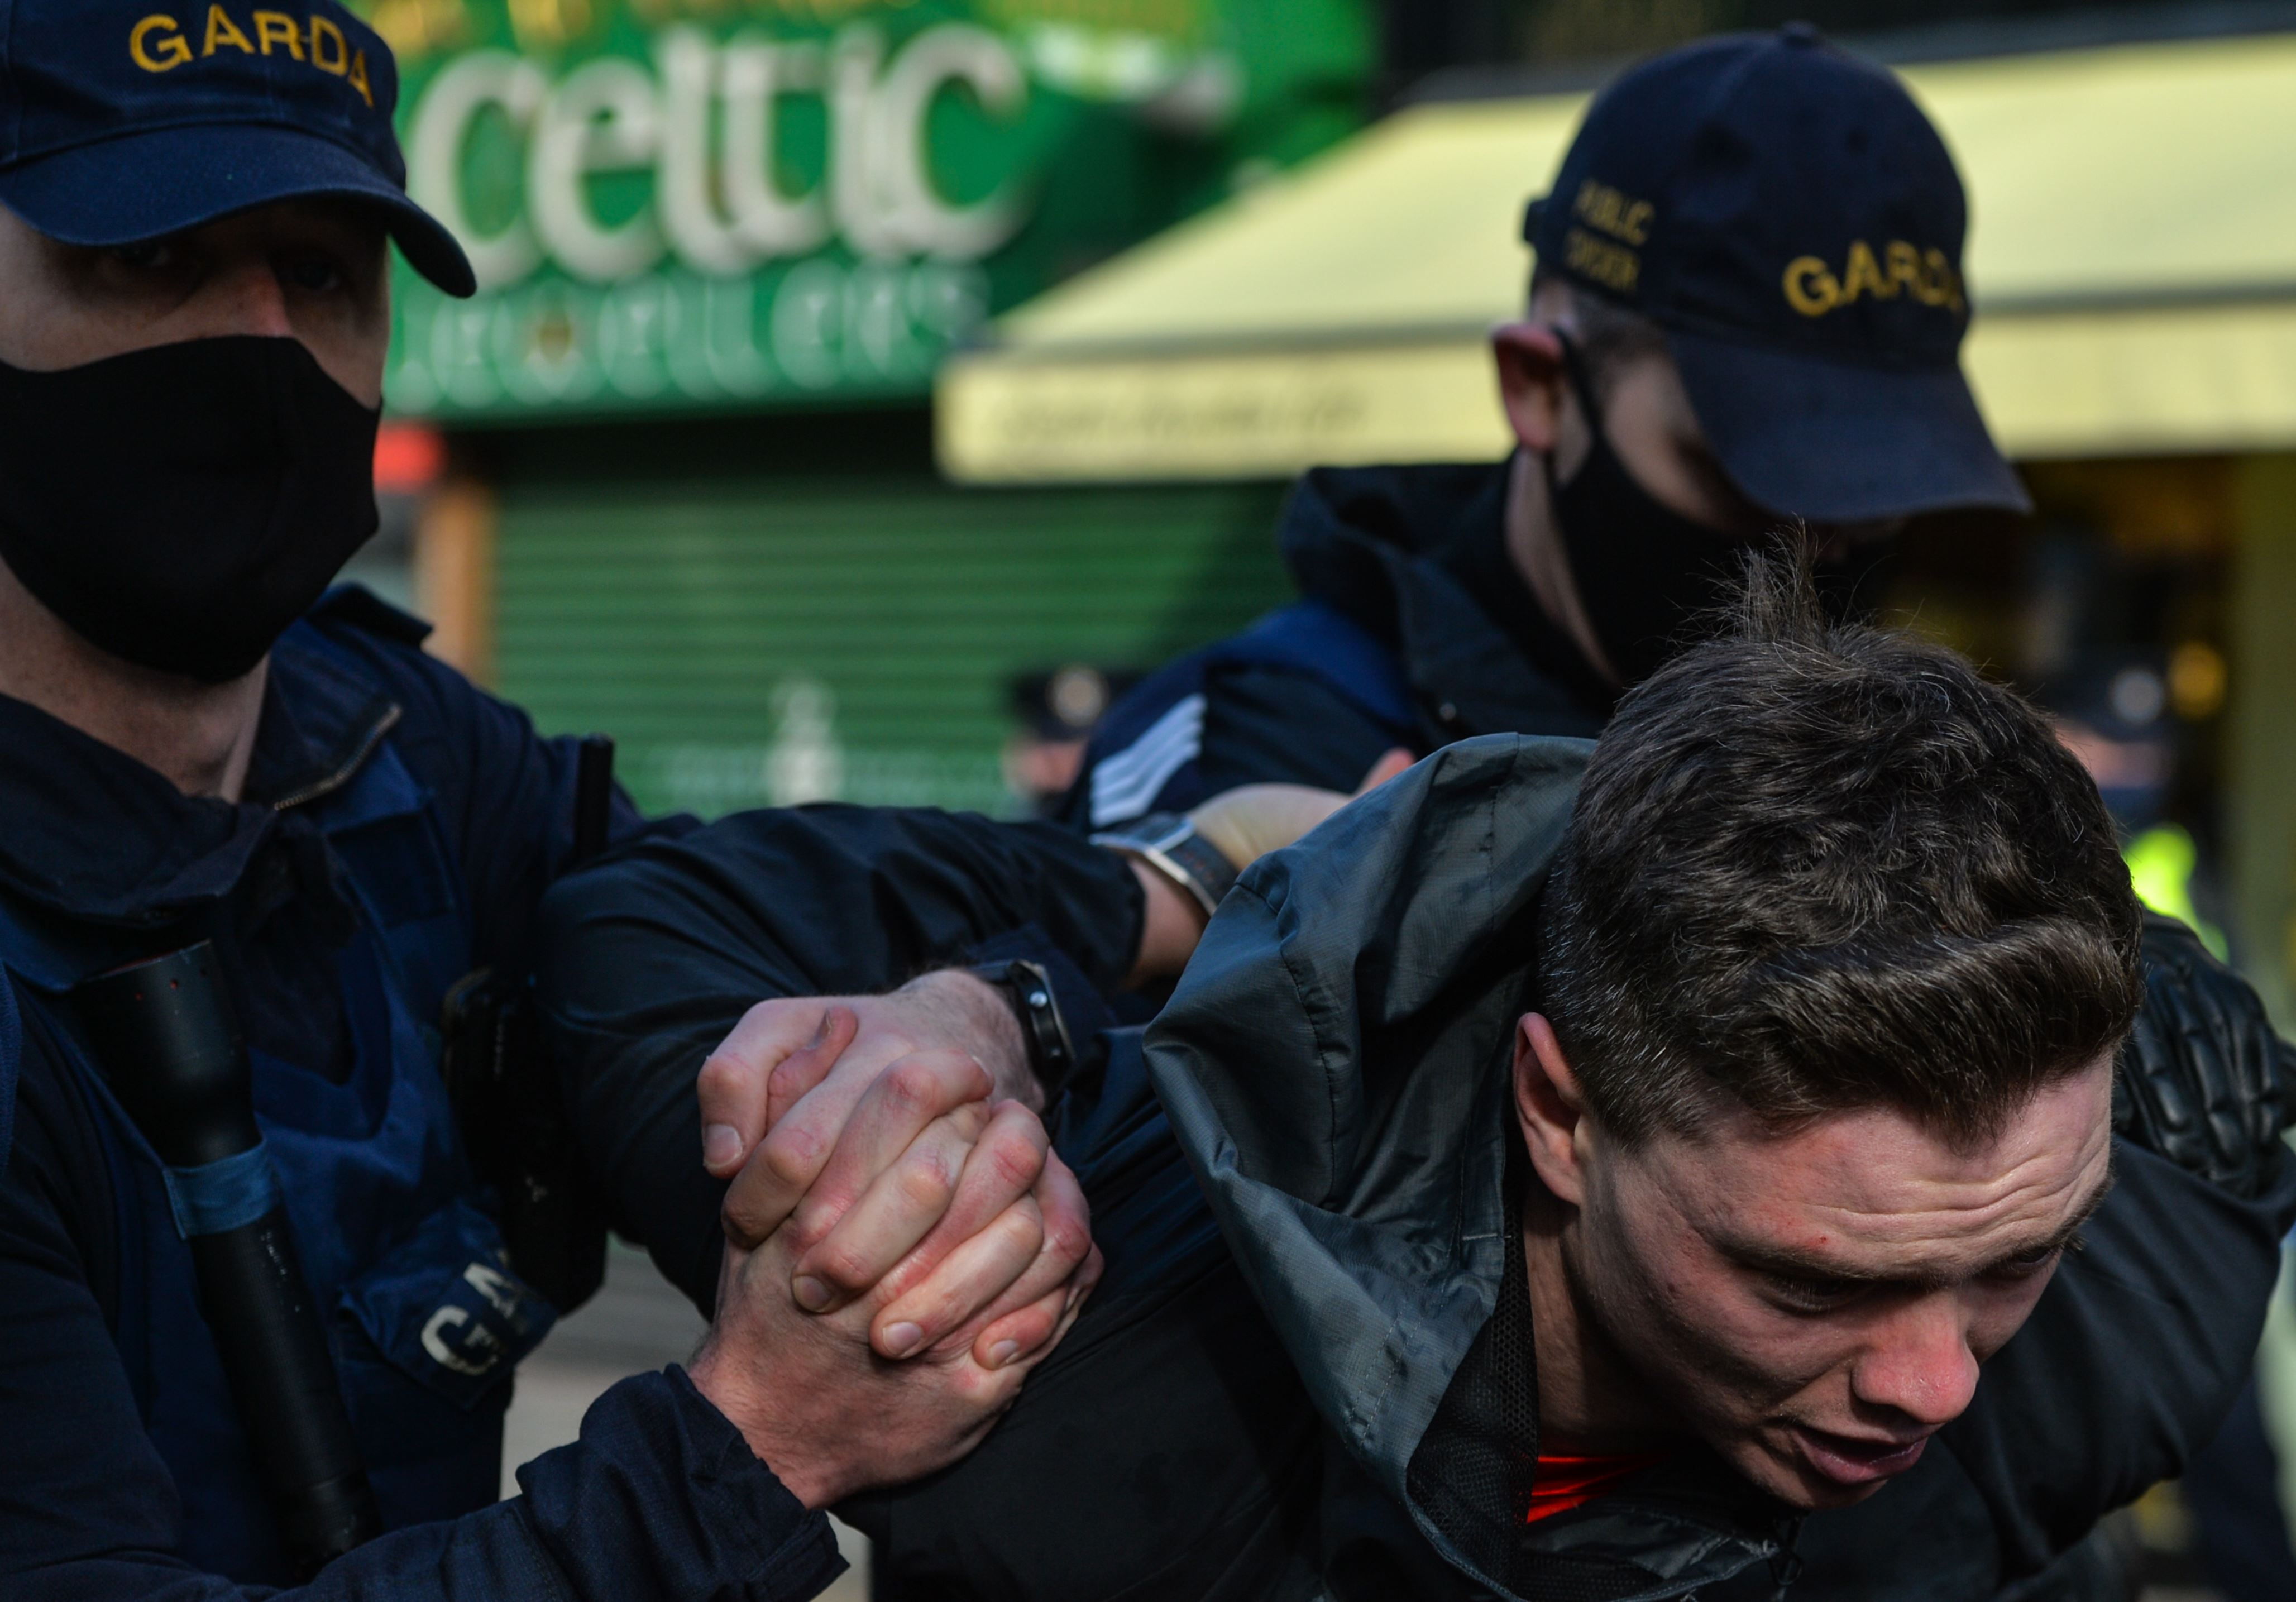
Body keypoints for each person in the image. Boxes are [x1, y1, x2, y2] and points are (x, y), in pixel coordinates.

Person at [0, 5, 1362, 1596]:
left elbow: (693, 917)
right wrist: (753, 1447)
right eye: (153, 262)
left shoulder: (404, 758)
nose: (258, 344)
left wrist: (1051, 965)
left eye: (322, 275)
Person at [541, 556, 2296, 1601]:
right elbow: (627, 931)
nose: (1933, 1379)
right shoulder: (1093, 1366)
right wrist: (1083, 943)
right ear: (1561, 1110)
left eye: (2008, 1256)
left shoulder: (2140, 1296)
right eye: (1808, 1276)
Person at [1061, 26, 2028, 837]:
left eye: (1885, 489)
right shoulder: (1256, 755)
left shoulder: (1895, 788)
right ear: (1540, 387)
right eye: (1762, 473)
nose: (1831, 543)